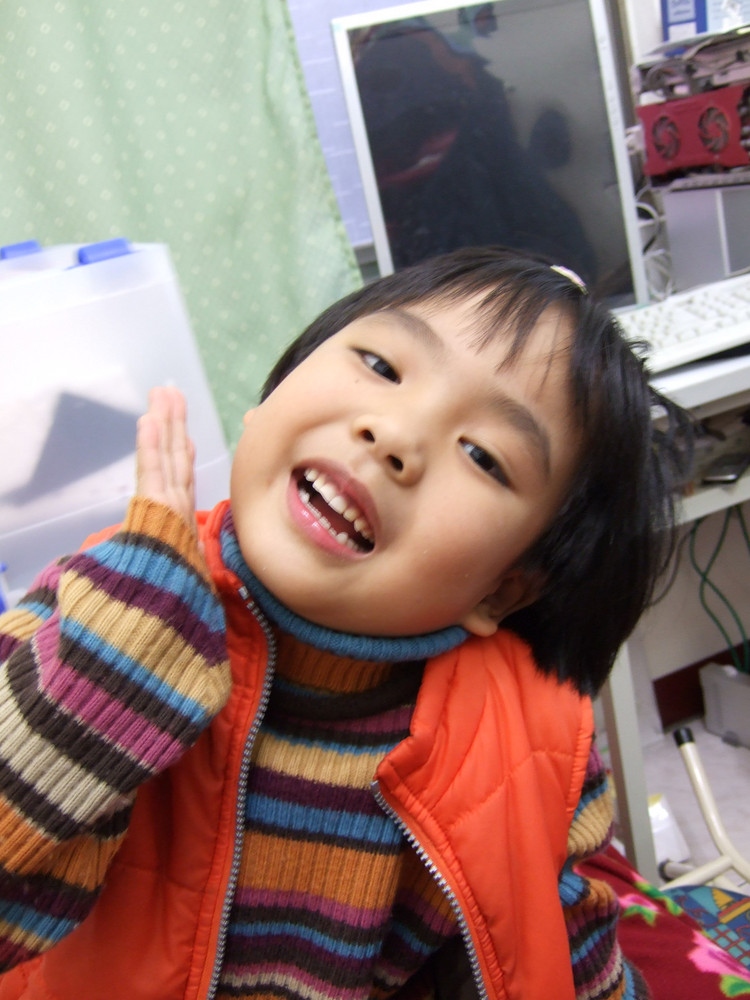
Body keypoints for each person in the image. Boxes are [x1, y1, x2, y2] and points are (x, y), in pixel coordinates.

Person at [0, 247, 690, 1000]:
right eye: (383, 366)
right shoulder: (94, 602)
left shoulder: (536, 741)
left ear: (502, 589)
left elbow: (553, 961)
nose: (393, 436)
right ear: (275, 391)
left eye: (483, 455)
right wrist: (109, 676)